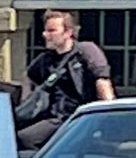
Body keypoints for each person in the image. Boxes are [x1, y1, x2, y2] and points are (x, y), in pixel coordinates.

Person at [19, 9, 116, 150]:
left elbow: (102, 80)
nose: (45, 35)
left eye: (52, 31)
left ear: (68, 32)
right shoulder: (45, 60)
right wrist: (26, 102)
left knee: (26, 138)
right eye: (45, 30)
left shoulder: (85, 50)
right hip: (56, 118)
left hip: (81, 117)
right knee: (23, 137)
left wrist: (108, 116)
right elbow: (28, 78)